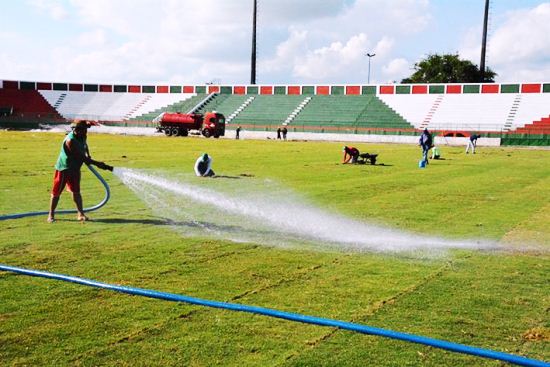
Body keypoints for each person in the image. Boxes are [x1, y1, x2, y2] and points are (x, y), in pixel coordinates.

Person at [48, 120, 111, 223]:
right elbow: (80, 157)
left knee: (76, 191)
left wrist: (88, 154)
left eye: (86, 130)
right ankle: (51, 214)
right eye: (83, 130)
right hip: (64, 168)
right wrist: (97, 163)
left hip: (75, 168)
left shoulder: (83, 136)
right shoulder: (70, 141)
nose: (85, 132)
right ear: (76, 130)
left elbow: (85, 146)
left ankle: (80, 213)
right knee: (56, 192)